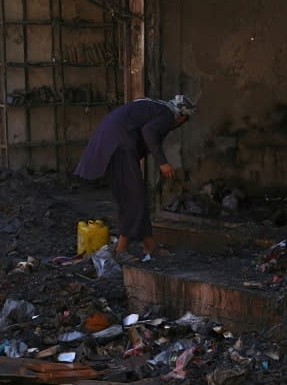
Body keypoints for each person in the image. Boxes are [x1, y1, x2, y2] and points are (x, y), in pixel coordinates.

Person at [74, 94, 196, 263]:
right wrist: (163, 163)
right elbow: (149, 132)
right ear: (182, 117)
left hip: (115, 144)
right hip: (119, 146)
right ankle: (121, 249)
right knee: (134, 196)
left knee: (135, 195)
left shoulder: (158, 107)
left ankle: (150, 246)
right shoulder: (168, 115)